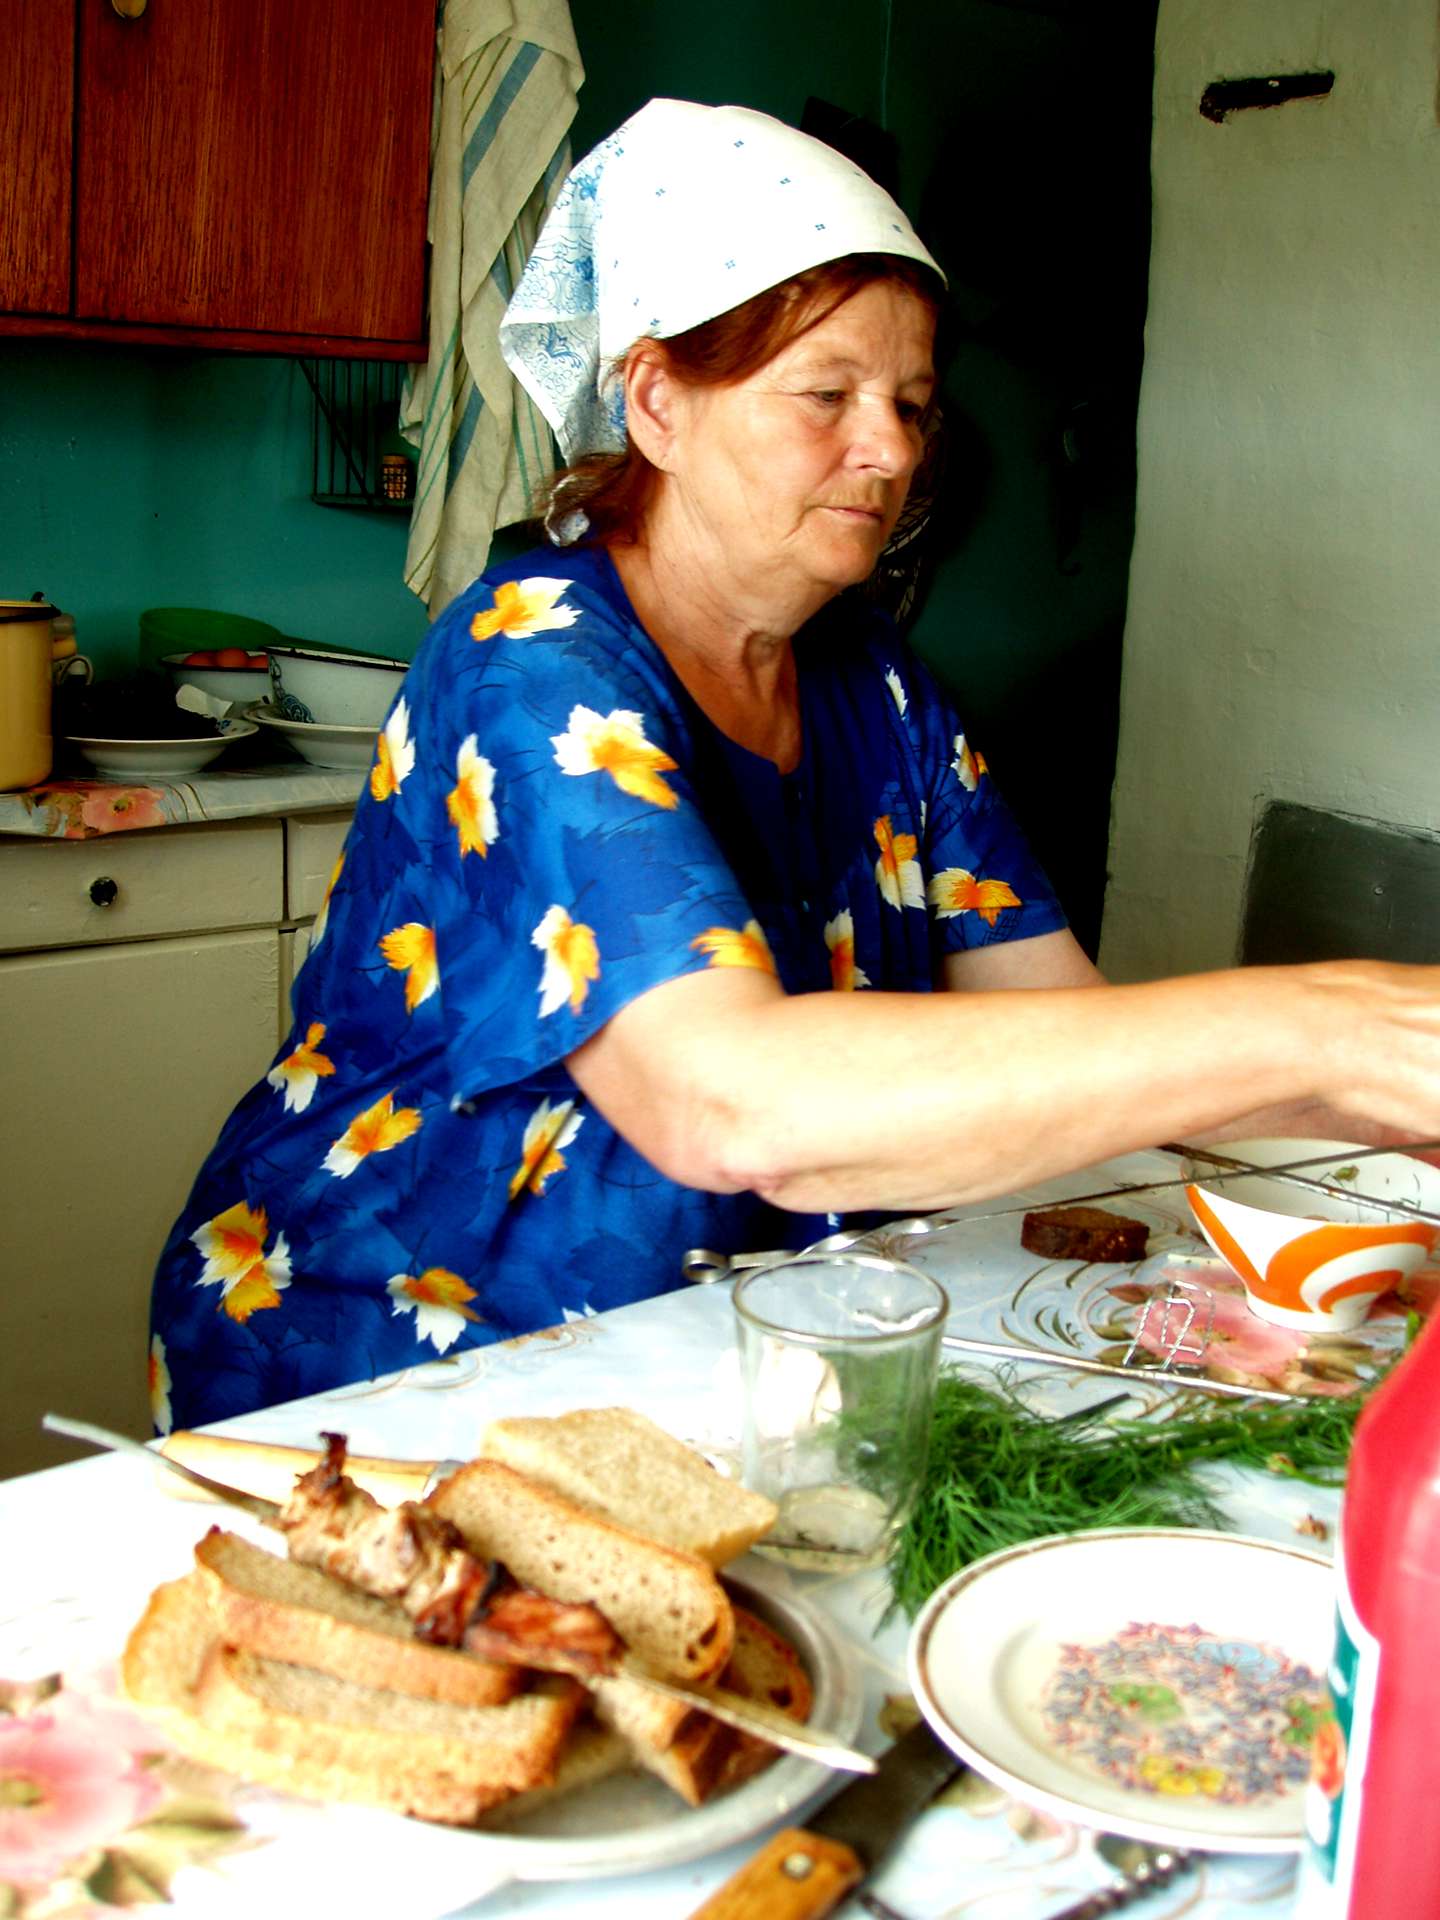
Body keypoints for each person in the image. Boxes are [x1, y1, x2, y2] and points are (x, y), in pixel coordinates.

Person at [148, 98, 1440, 1432]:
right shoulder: (529, 665)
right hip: (396, 1367)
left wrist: (1354, 1126)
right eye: (827, 395)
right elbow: (728, 1101)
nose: (886, 450)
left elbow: (1067, 1037)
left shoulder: (874, 683)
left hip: (713, 1344)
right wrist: (1326, 1020)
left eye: (912, 403)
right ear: (655, 401)